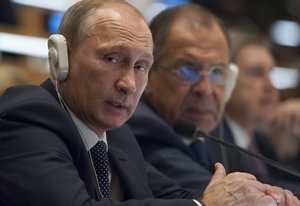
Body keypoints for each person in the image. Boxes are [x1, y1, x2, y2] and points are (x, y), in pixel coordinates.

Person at [0, 0, 294, 206]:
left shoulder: (116, 135)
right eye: (112, 59)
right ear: (60, 59)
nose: (128, 83)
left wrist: (262, 197)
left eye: (141, 67)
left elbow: (175, 195)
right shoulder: (28, 117)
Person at [127, 2, 300, 200]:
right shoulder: (145, 128)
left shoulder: (213, 130)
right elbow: (228, 198)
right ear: (149, 72)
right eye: (187, 69)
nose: (206, 89)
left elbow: (260, 181)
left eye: (217, 72)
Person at [217, 29, 300, 193]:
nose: (271, 86)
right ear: (226, 78)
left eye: (271, 73)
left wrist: (293, 143)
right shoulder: (214, 141)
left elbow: (286, 182)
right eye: (256, 73)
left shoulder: (259, 140)